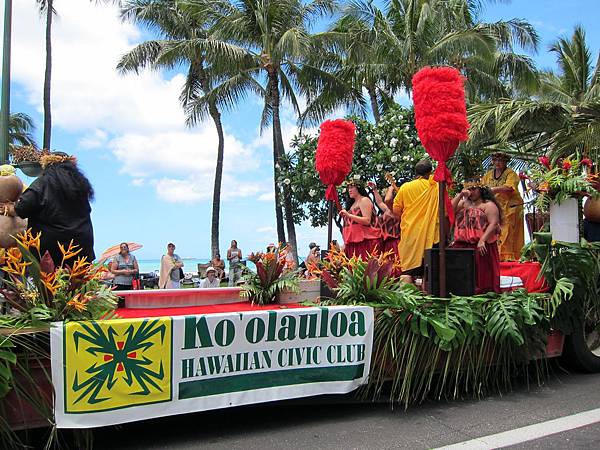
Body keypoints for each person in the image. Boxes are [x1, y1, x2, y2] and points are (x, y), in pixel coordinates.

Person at [0, 152, 95, 265]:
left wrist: (8, 208)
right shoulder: (80, 186)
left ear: (48, 166)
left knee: (49, 281)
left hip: (51, 252)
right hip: (82, 248)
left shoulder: (43, 183)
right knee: (76, 282)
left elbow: (22, 208)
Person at [392, 159, 440, 280]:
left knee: (408, 271)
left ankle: (407, 298)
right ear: (430, 172)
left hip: (411, 233)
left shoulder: (405, 187)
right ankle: (428, 298)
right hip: (432, 235)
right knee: (430, 272)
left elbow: (396, 210)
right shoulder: (436, 186)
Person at [451, 181, 502, 294]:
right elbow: (448, 211)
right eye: (469, 189)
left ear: (481, 190)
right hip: (462, 245)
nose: (471, 192)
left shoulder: (488, 205)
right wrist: (460, 195)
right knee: (462, 277)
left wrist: (482, 240)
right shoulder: (463, 203)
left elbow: (493, 223)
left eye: (474, 189)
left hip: (481, 246)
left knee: (482, 277)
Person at [482, 152, 524, 261]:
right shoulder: (488, 175)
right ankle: (497, 256)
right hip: (497, 208)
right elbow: (482, 187)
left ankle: (508, 258)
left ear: (505, 162)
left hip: (511, 207)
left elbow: (509, 188)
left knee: (507, 231)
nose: (497, 163)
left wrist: (493, 190)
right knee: (495, 230)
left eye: (500, 161)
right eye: (495, 161)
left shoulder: (511, 174)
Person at [340, 181, 381, 258]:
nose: (349, 190)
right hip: (352, 245)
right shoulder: (352, 205)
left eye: (352, 187)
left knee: (366, 269)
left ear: (358, 188)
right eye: (348, 188)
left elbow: (367, 220)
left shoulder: (364, 200)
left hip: (366, 242)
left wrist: (349, 215)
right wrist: (345, 243)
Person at [367, 181, 400, 259]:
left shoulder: (395, 211)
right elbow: (379, 202)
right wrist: (374, 189)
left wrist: (391, 187)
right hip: (386, 244)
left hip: (395, 244)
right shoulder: (387, 210)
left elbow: (387, 200)